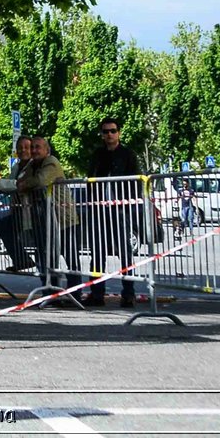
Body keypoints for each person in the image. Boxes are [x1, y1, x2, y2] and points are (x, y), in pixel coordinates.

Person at [85, 116, 143, 307]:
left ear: (118, 133)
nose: (109, 134)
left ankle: (128, 293)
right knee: (97, 251)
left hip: (120, 209)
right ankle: (97, 292)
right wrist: (92, 200)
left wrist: (130, 203)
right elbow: (90, 178)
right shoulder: (97, 154)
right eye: (105, 131)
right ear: (101, 135)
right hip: (99, 208)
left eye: (113, 131)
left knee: (125, 252)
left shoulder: (127, 154)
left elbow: (136, 180)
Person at [24, 136, 79, 288]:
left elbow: (39, 181)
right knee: (47, 257)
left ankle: (75, 293)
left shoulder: (51, 162)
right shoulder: (32, 165)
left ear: (47, 150)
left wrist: (24, 184)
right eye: (32, 147)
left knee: (71, 256)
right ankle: (50, 290)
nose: (34, 151)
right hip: (46, 219)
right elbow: (23, 179)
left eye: (38, 147)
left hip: (63, 219)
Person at [0, 135, 37, 273]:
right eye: (20, 148)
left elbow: (18, 185)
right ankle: (22, 260)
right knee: (3, 226)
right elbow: (10, 185)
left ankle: (33, 265)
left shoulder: (34, 166)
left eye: (26, 147)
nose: (23, 150)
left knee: (40, 242)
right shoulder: (16, 166)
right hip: (19, 209)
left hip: (34, 210)